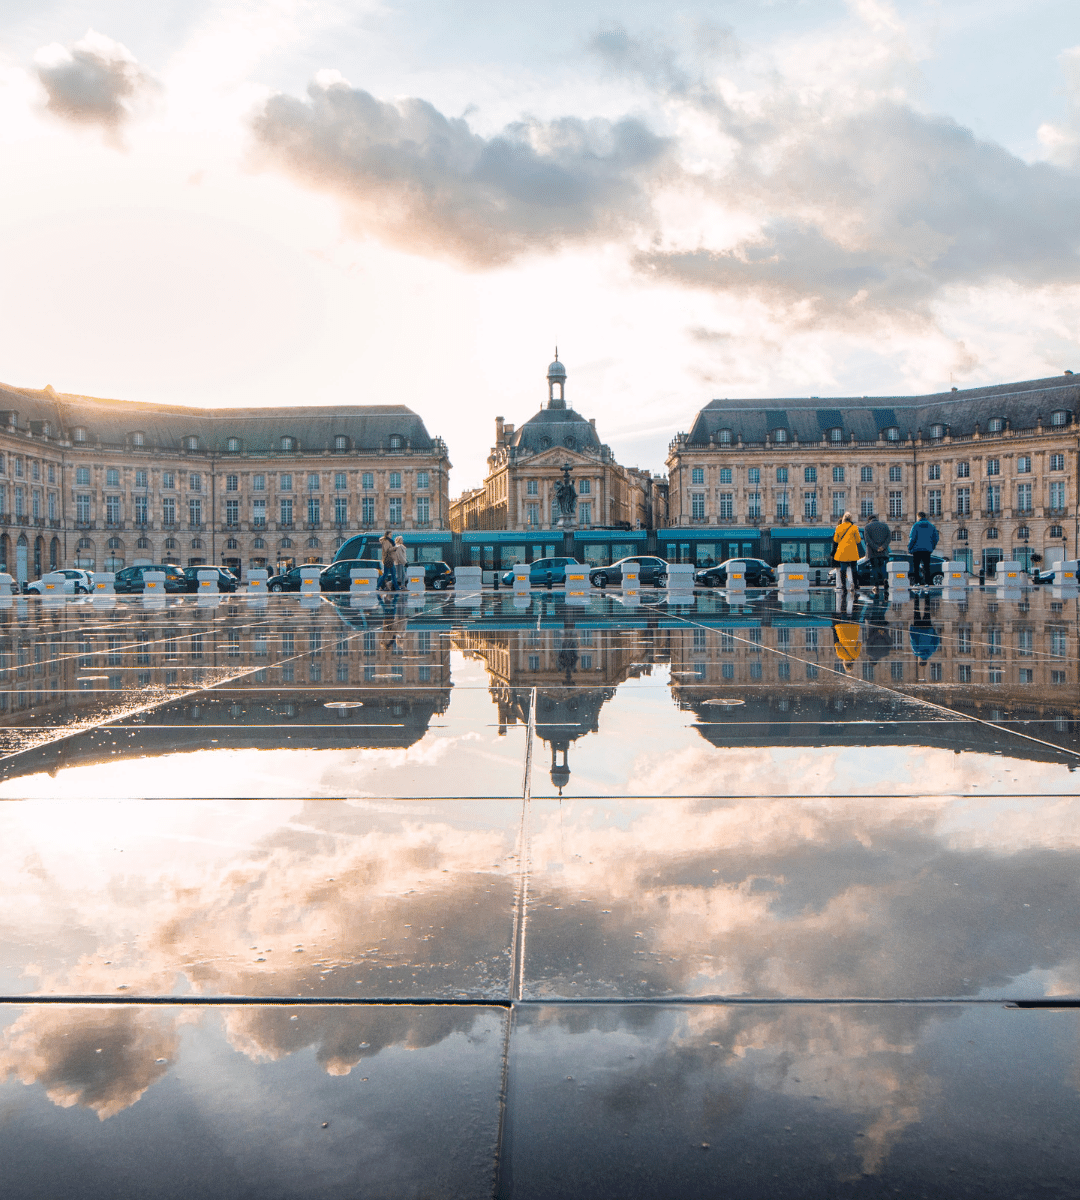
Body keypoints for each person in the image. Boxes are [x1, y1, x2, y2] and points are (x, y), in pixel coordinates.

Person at [832, 511, 863, 593]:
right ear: (851, 519)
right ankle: (855, 584)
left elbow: (836, 540)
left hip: (842, 551)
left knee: (843, 569)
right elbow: (858, 540)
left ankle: (843, 586)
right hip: (852, 551)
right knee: (854, 568)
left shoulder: (838, 527)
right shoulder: (854, 527)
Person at [908, 511, 939, 590]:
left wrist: (909, 548)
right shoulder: (931, 526)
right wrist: (932, 547)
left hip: (916, 550)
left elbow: (912, 538)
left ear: (918, 517)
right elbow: (936, 538)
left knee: (916, 567)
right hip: (927, 550)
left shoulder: (916, 525)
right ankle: (927, 583)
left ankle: (917, 583)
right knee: (927, 566)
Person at [863, 512, 891, 594]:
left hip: (872, 552)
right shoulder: (885, 526)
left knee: (874, 568)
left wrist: (876, 547)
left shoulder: (867, 527)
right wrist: (883, 546)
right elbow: (889, 537)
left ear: (869, 520)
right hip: (883, 551)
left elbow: (867, 540)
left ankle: (876, 585)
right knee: (882, 566)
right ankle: (885, 579)